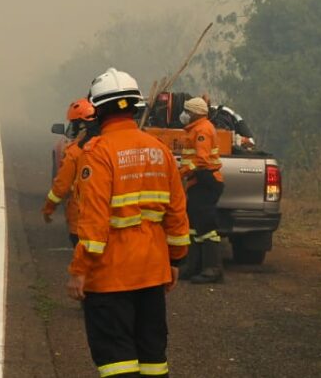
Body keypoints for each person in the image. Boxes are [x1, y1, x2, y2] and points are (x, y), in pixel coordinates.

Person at [68, 67, 190, 377]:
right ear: (135, 107)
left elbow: (94, 223)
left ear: (97, 110)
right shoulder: (160, 151)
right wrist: (175, 260)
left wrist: (80, 269)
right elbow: (177, 214)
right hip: (152, 272)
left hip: (110, 276)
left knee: (117, 362)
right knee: (153, 361)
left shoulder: (97, 153)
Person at [179, 97, 226, 283]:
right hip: (197, 182)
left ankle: (213, 269)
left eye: (187, 112)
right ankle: (194, 266)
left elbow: (201, 160)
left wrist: (181, 172)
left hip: (206, 182)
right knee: (194, 227)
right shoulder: (196, 129)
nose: (184, 115)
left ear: (195, 113)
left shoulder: (202, 130)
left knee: (206, 226)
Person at [42, 98, 96, 246]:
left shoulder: (74, 152)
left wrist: (48, 208)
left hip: (80, 222)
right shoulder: (109, 148)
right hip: (109, 222)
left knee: (84, 265)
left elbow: (61, 186)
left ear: (79, 126)